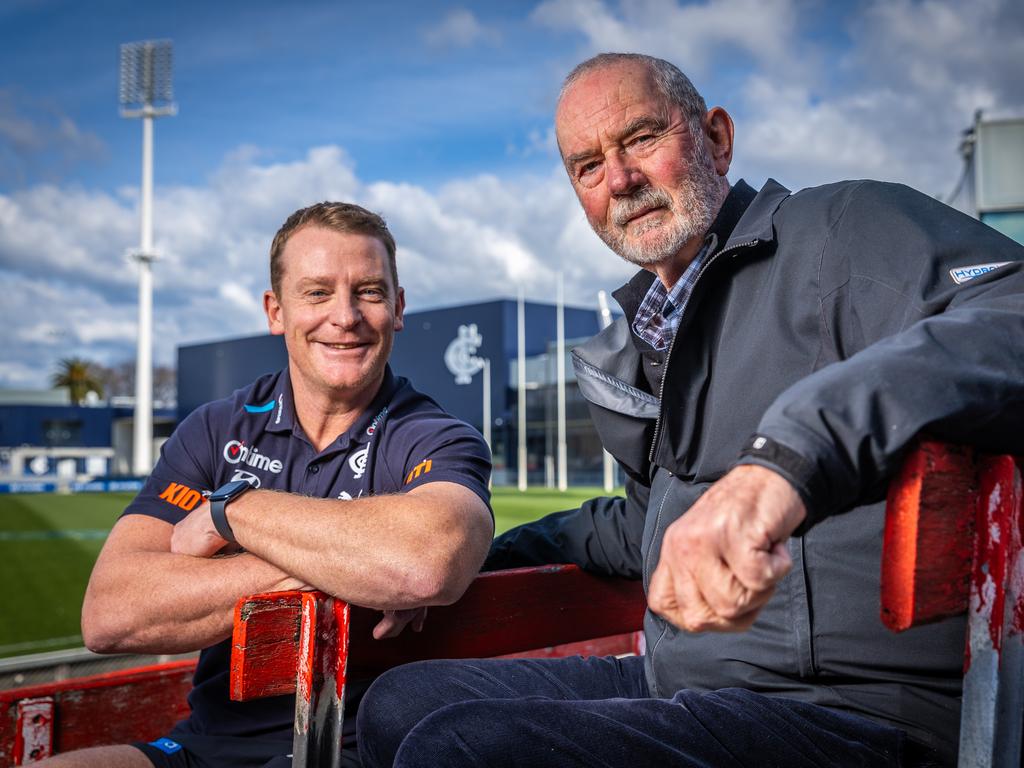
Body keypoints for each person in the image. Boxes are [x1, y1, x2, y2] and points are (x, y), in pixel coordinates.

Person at [356, 53, 1024, 768]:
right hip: (688, 684)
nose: (620, 180)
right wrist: (466, 563)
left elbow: (1011, 312)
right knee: (395, 703)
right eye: (587, 166)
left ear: (717, 138)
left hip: (849, 711)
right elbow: (643, 529)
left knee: (458, 749)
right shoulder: (652, 336)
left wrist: (783, 463)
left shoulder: (838, 230)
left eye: (641, 138)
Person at [41, 202, 494, 768]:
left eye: (370, 292)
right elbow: (109, 614)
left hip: (357, 748)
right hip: (204, 744)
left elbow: (427, 561)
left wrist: (233, 513)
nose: (345, 316)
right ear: (275, 311)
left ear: (398, 309)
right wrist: (344, 569)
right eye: (317, 292)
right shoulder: (215, 429)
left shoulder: (435, 436)